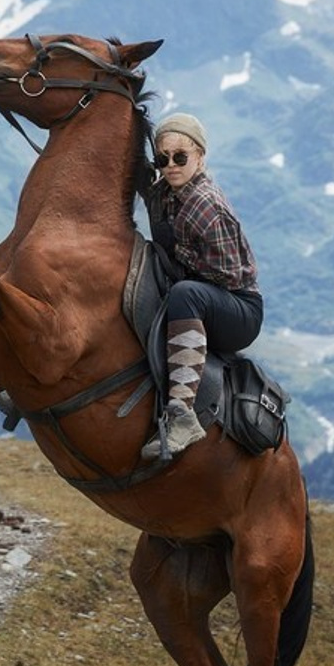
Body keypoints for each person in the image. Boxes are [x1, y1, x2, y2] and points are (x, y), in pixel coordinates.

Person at [140, 112, 263, 460]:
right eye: (162, 158)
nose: (171, 165)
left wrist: (176, 259)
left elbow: (228, 275)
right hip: (207, 294)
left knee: (183, 293)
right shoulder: (165, 191)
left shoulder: (206, 205)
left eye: (181, 156)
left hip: (239, 308)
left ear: (200, 156)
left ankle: (182, 413)